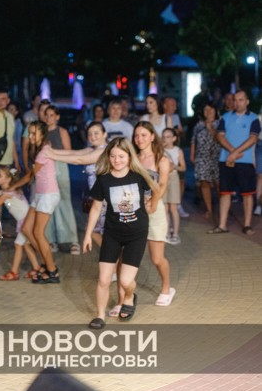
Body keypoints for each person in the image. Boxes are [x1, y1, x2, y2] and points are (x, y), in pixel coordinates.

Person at [83, 137, 159, 329]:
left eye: (121, 156)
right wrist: (88, 234)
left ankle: (129, 297)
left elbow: (155, 189)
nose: (117, 160)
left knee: (126, 281)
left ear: (129, 156)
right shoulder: (104, 180)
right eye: (113, 156)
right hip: (112, 234)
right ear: (108, 157)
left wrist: (152, 204)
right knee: (104, 279)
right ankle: (100, 316)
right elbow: (95, 208)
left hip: (137, 234)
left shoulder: (139, 176)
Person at [9, 121, 60, 284]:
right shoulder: (40, 150)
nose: (30, 136)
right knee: (26, 229)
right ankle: (46, 263)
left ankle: (52, 271)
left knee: (38, 232)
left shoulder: (43, 152)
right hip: (40, 194)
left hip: (48, 195)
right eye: (29, 133)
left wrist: (13, 187)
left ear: (42, 134)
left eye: (33, 133)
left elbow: (29, 176)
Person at [46, 122, 108, 247]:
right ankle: (111, 256)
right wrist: (51, 151)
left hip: (106, 199)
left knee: (102, 231)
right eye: (90, 134)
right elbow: (74, 153)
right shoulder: (92, 149)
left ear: (104, 134)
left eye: (96, 133)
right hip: (98, 198)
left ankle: (113, 256)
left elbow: (79, 160)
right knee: (94, 230)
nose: (92, 136)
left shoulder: (105, 150)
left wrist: (53, 156)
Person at [133, 122, 176, 306]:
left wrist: (153, 202)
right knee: (127, 255)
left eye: (143, 135)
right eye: (136, 135)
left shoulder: (161, 159)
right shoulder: (132, 158)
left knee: (157, 258)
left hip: (154, 211)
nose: (139, 139)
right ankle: (125, 294)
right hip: (133, 211)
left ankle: (166, 287)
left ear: (152, 136)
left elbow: (163, 184)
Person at [208, 91, 260, 235]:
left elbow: (253, 139)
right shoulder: (225, 117)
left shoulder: (254, 118)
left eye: (241, 100)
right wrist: (233, 152)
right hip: (226, 160)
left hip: (246, 161)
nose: (237, 103)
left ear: (247, 102)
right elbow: (220, 136)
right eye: (235, 100)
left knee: (247, 193)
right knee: (225, 192)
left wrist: (235, 153)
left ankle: (247, 225)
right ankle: (222, 225)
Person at [0, 167, 41, 281]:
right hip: (24, 221)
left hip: (26, 222)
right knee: (26, 245)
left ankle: (14, 272)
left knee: (18, 244)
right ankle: (36, 268)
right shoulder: (3, 192)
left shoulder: (7, 194)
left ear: (8, 179)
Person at [41, 106, 80, 255]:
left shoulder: (62, 131)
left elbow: (68, 151)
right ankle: (51, 240)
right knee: (47, 204)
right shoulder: (41, 132)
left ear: (57, 117)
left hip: (60, 166)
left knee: (64, 201)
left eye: (52, 115)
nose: (49, 118)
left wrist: (52, 152)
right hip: (45, 168)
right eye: (47, 115)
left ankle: (72, 240)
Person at [191, 102, 222, 219]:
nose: (208, 112)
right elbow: (193, 140)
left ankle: (223, 207)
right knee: (204, 183)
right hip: (202, 157)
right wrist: (192, 155)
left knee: (218, 184)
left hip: (216, 157)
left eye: (211, 110)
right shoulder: (199, 124)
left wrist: (210, 128)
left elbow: (219, 139)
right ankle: (209, 209)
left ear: (215, 111)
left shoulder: (219, 123)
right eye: (206, 110)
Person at [162, 128, 186, 244]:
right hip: (163, 178)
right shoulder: (160, 150)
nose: (165, 139)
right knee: (164, 208)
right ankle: (167, 232)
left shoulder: (178, 150)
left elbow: (183, 167)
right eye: (164, 137)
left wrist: (174, 166)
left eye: (168, 137)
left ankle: (175, 234)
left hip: (173, 178)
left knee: (173, 208)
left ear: (174, 138)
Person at [8, 102, 24, 168]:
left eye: (12, 110)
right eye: (8, 109)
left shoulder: (18, 123)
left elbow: (16, 141)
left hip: (17, 151)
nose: (9, 111)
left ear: (16, 112)